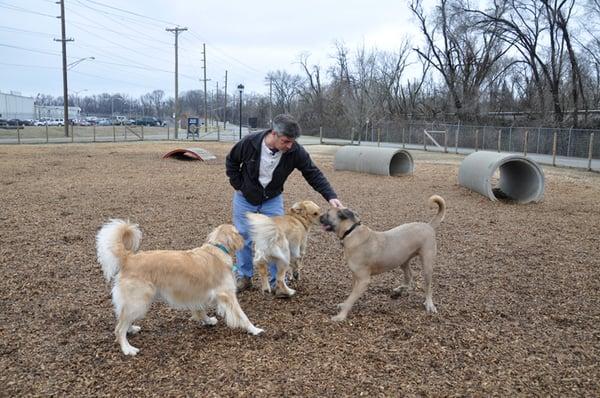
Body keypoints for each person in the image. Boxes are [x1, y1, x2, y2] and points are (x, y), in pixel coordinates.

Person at [226, 113, 343, 293]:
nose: (290, 146)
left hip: (272, 198)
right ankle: (245, 277)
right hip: (245, 198)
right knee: (244, 236)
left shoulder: (295, 150)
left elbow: (312, 172)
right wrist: (239, 185)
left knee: (277, 237)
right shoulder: (249, 143)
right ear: (274, 134)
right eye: (286, 141)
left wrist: (330, 196)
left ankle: (277, 282)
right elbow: (231, 162)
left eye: (292, 142)